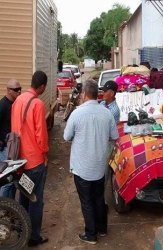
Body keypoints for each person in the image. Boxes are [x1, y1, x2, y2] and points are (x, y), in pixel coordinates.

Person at [63, 79, 119, 245]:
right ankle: (102, 228)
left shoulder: (77, 113)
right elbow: (114, 136)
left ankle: (91, 234)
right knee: (99, 198)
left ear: (85, 94)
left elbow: (66, 137)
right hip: (99, 165)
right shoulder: (106, 113)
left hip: (82, 167)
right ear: (97, 94)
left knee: (87, 201)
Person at [11, 71, 49, 247]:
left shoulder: (18, 100)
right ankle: (34, 236)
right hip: (35, 161)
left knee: (24, 196)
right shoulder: (38, 104)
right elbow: (41, 135)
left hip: (19, 160)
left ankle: (21, 231)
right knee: (36, 200)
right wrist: (45, 153)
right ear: (41, 86)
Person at [0, 78, 21, 199]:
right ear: (8, 90)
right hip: (5, 148)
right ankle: (3, 207)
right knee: (6, 181)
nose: (19, 92)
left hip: (12, 147)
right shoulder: (1, 106)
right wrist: (0, 141)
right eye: (16, 90)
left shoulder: (14, 104)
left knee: (13, 180)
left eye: (20, 89)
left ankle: (10, 207)